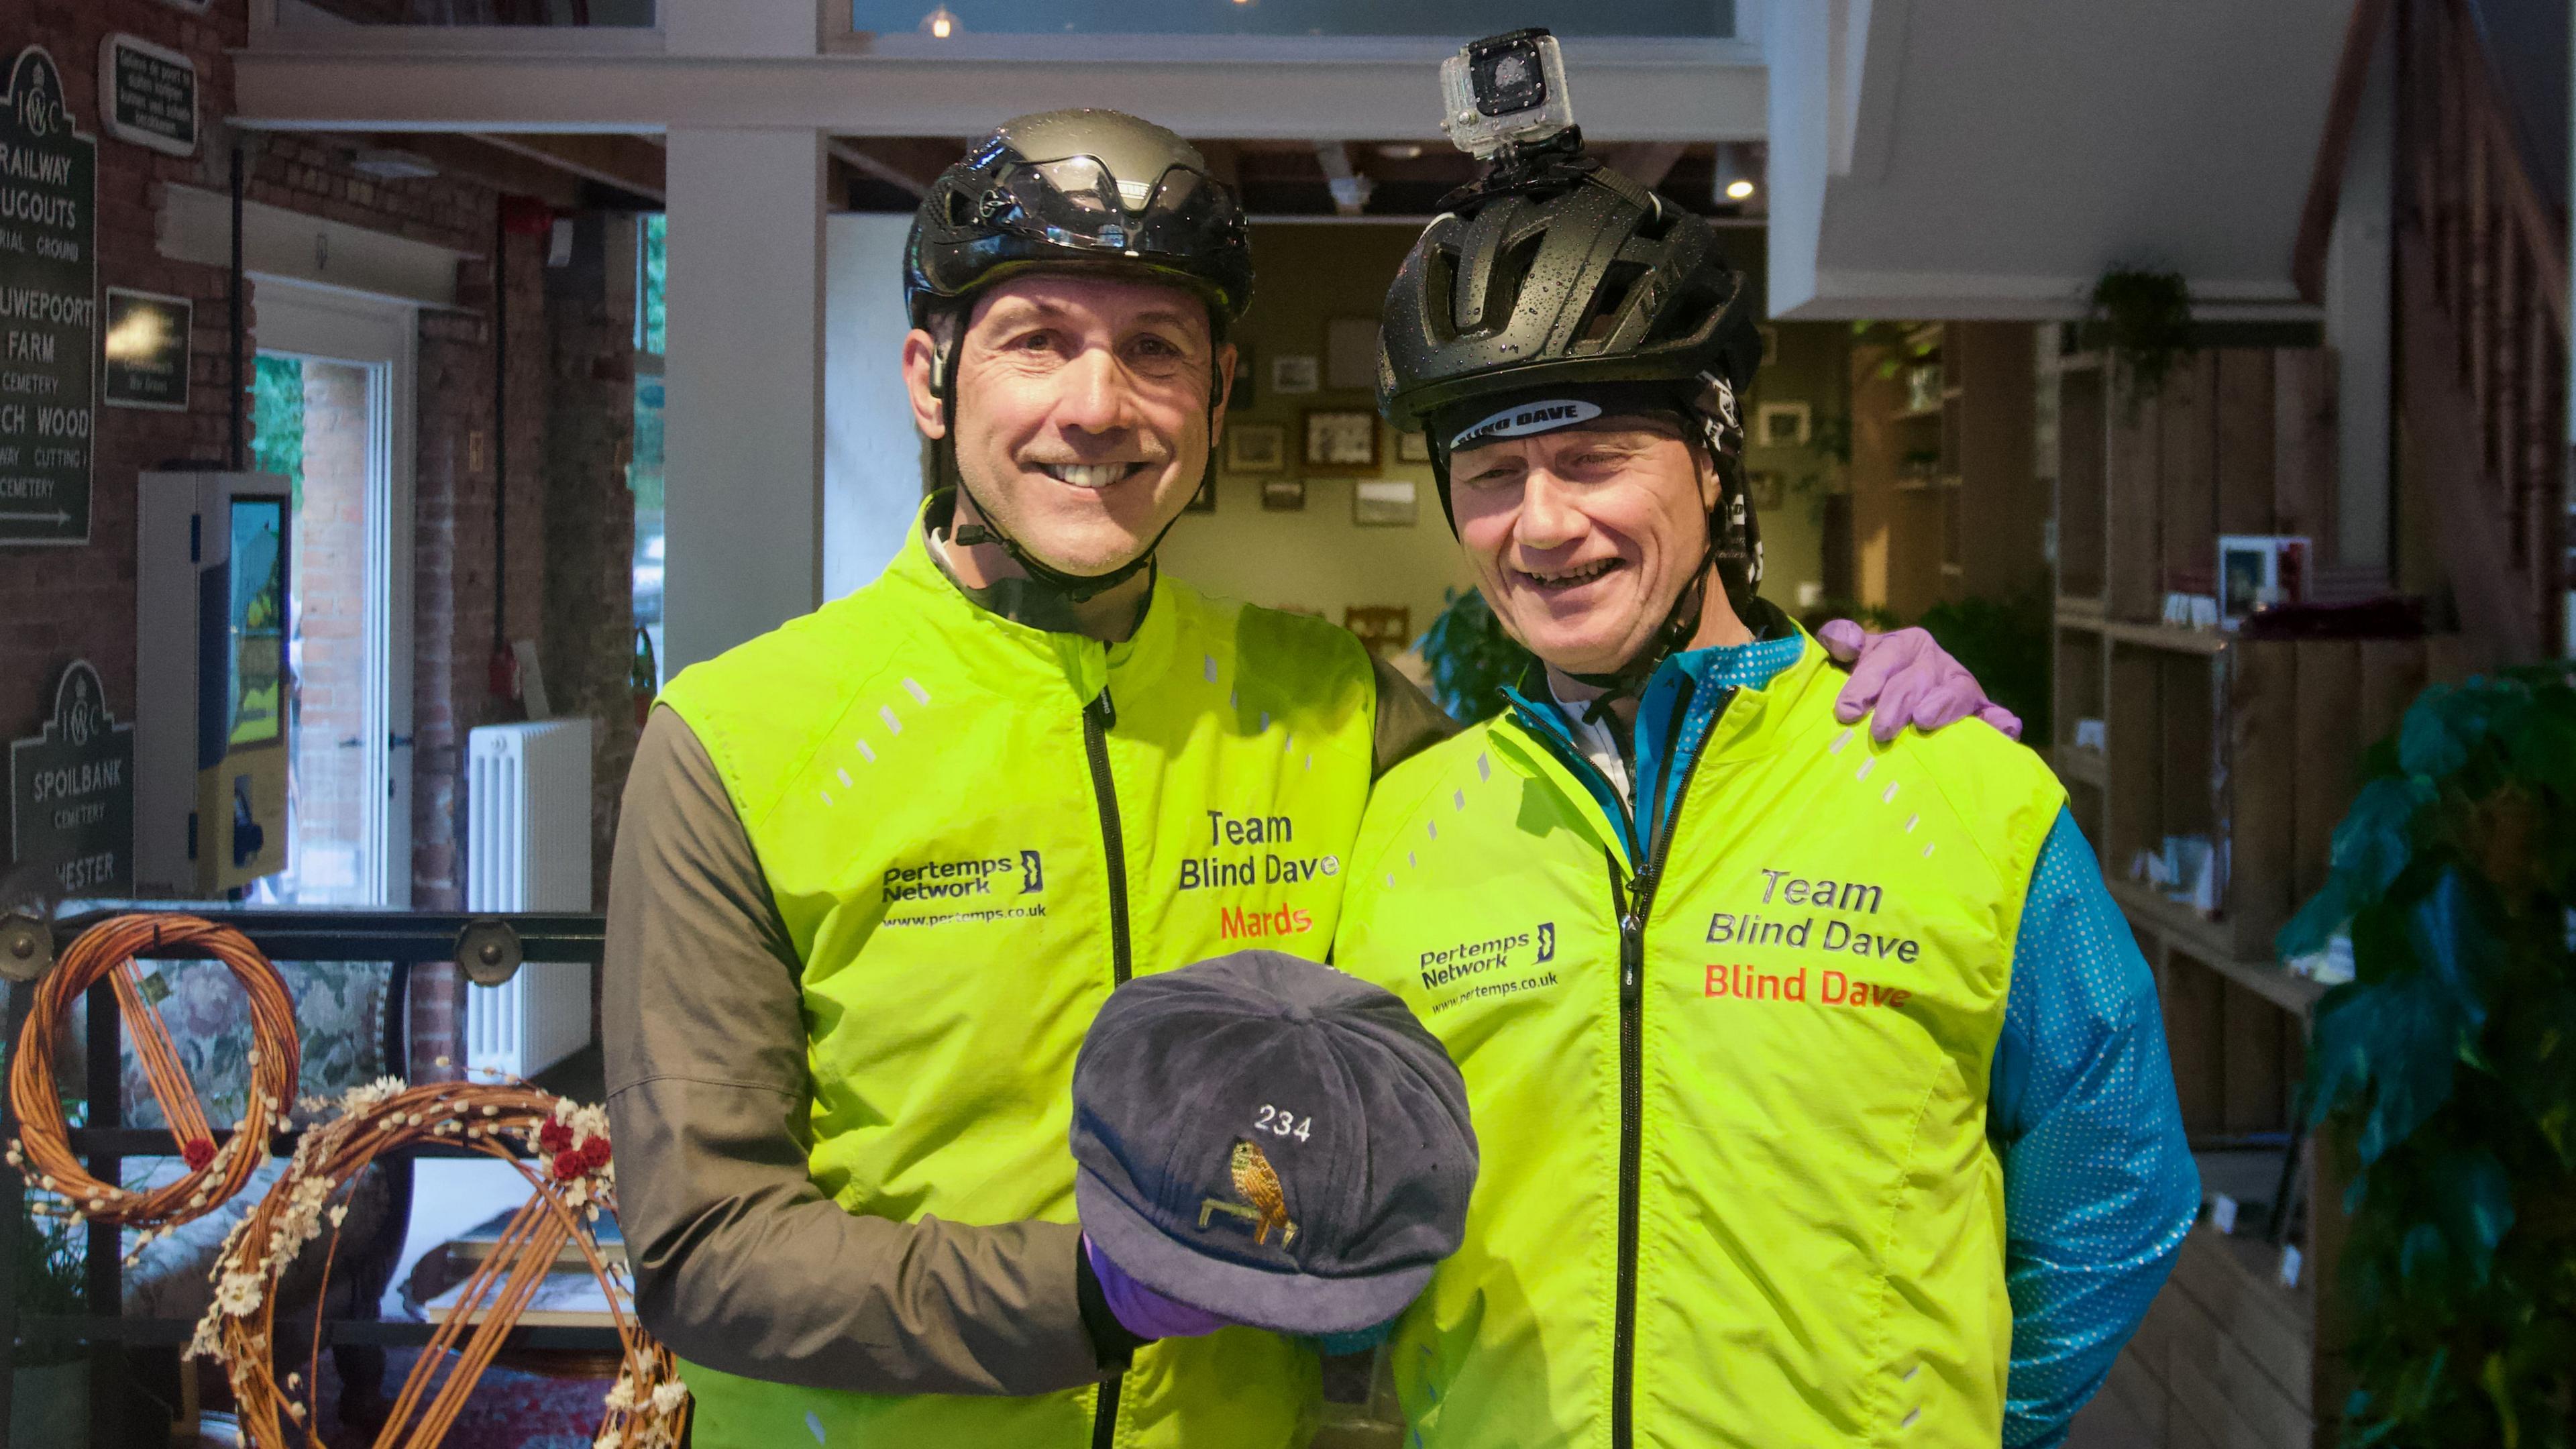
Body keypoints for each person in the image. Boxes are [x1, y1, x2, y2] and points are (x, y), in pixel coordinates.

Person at [601, 109, 2002, 1449]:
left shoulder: (1333, 708)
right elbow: (703, 1253)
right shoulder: (741, 739)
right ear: (928, 376)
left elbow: (1610, 846)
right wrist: (1093, 1295)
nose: (1098, 406)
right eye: (1037, 342)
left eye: (1157, 351)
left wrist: (1838, 701)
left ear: (1214, 395)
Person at [1328, 140, 2200, 1449]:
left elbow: (2116, 1191)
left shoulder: (1953, 786)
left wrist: (1962, 1426)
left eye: (1597, 455)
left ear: (1715, 455)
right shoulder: (1406, 824)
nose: (1544, 524)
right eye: (1494, 476)